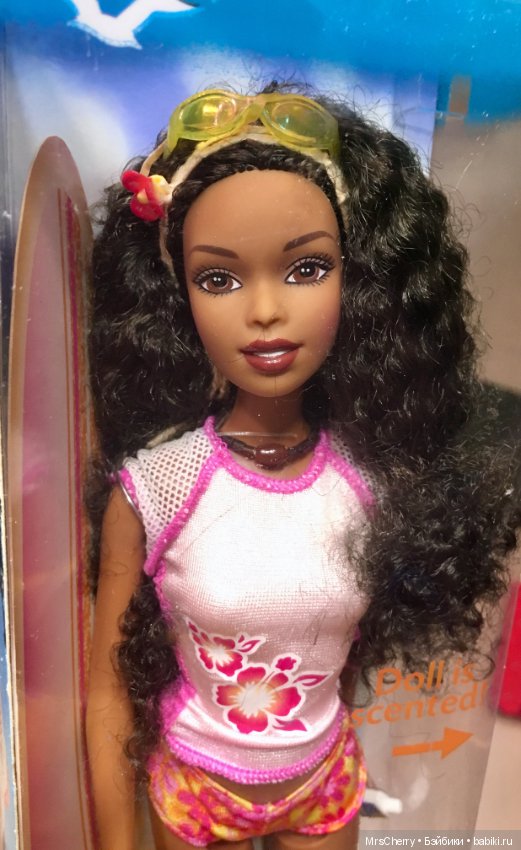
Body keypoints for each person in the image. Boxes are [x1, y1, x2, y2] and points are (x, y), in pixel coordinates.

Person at [86, 86, 519, 850]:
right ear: (175, 297)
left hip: (324, 785)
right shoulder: (157, 489)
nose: (263, 311)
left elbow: (349, 652)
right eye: (218, 278)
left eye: (306, 268)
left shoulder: (372, 481)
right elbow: (108, 692)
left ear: (360, 280)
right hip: (195, 791)